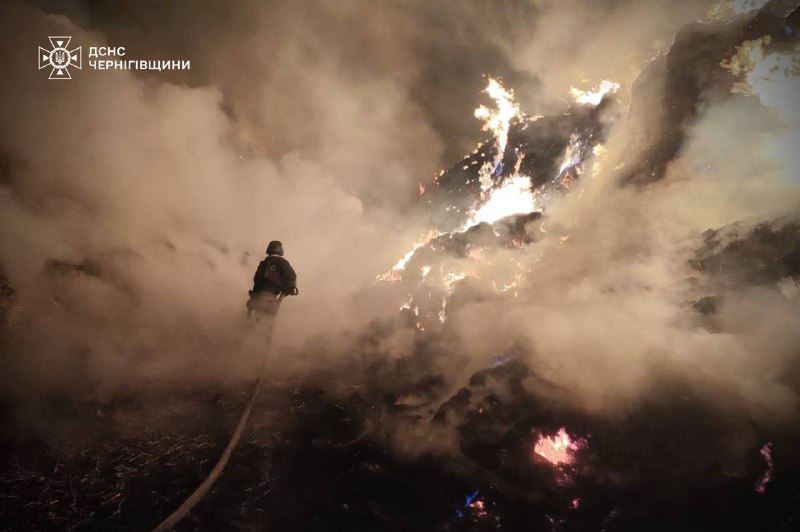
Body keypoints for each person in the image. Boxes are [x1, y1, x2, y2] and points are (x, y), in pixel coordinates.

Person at [247, 240, 298, 320]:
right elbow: (292, 277)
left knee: (256, 325)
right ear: (280, 250)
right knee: (267, 326)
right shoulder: (282, 262)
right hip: (271, 300)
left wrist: (252, 300)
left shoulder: (263, 263)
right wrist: (286, 291)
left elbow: (256, 281)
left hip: (259, 299)